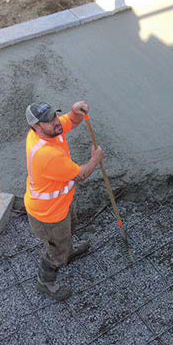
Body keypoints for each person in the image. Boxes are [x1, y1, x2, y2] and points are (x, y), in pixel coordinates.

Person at [24, 101, 104, 300]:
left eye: (54, 116)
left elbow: (69, 121)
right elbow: (81, 175)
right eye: (48, 121)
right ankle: (46, 281)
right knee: (56, 250)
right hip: (48, 215)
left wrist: (75, 112)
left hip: (61, 204)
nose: (55, 122)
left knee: (69, 230)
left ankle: (67, 249)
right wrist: (95, 159)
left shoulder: (51, 131)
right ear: (36, 127)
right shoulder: (47, 155)